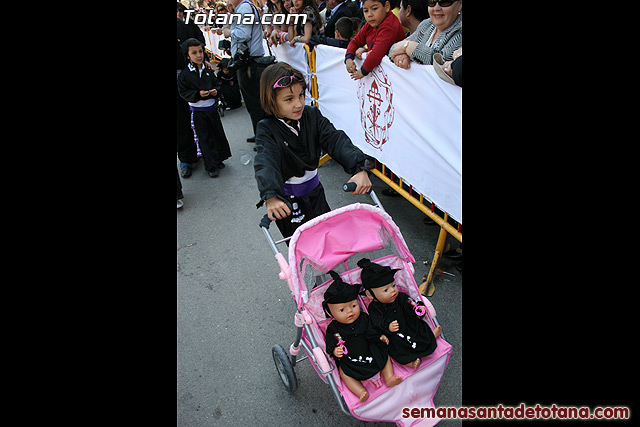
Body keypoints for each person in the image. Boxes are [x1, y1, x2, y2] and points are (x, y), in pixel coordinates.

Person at [254, 62, 372, 238]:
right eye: (289, 99)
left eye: (301, 95)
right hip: (287, 203)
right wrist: (271, 195)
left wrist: (358, 167)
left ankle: (331, 266)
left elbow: (334, 139)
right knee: (302, 247)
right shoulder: (267, 129)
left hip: (316, 194)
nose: (298, 104)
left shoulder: (311, 115)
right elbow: (265, 161)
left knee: (328, 237)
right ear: (271, 100)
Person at [323, 270, 403, 402]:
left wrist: (379, 337)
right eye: (342, 310)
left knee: (384, 353)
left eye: (354, 306)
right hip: (350, 359)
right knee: (344, 373)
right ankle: (360, 391)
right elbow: (330, 342)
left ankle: (389, 377)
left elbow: (371, 330)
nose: (350, 311)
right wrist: (334, 350)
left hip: (369, 350)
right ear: (329, 312)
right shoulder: (333, 328)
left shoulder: (364, 318)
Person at [357, 258, 442, 370]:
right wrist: (387, 326)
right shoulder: (374, 308)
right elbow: (376, 323)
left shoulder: (401, 297)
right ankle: (409, 362)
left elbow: (411, 305)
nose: (393, 291)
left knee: (419, 327)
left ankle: (431, 336)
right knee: (396, 346)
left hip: (409, 324)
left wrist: (418, 308)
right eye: (386, 290)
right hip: (395, 333)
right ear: (370, 295)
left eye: (393, 286)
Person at [178, 38, 233, 177]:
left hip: (211, 110)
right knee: (204, 138)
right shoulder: (185, 74)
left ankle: (219, 158)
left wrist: (215, 91)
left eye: (201, 51)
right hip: (198, 112)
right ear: (187, 55)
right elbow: (184, 92)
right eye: (194, 52)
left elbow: (217, 84)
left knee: (217, 135)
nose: (199, 55)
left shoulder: (208, 70)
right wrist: (197, 94)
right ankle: (210, 165)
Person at [223, 0, 268, 143]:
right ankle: (260, 134)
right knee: (254, 102)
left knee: (255, 103)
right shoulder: (245, 7)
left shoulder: (244, 8)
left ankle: (264, 138)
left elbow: (243, 34)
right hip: (249, 62)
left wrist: (229, 32)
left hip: (249, 63)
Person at [388, 0, 461, 69]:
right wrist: (402, 55)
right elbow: (393, 49)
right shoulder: (427, 24)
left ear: (460, 4)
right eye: (431, 2)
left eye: (445, 2)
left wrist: (409, 47)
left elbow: (441, 61)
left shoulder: (460, 31)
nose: (436, 8)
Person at [344, 0, 405, 80]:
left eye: (375, 8)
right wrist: (348, 58)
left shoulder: (390, 25)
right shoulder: (370, 24)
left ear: (387, 6)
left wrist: (362, 72)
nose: (370, 15)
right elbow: (355, 41)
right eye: (366, 11)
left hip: (395, 76)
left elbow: (376, 53)